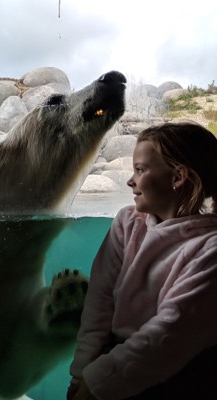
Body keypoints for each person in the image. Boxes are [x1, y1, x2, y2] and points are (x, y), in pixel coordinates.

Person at [67, 121, 217, 400]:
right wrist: (81, 373)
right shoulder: (127, 222)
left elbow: (173, 329)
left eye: (140, 170)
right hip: (116, 364)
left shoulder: (210, 247)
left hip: (181, 372)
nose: (130, 181)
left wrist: (96, 383)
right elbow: (99, 303)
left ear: (178, 176)